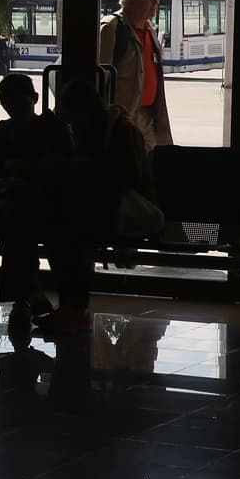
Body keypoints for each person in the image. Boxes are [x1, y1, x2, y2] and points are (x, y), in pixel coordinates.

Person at [40, 79, 155, 334]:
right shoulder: (100, 131)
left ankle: (73, 306)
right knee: (61, 230)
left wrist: (78, 167)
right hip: (102, 211)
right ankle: (72, 307)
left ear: (85, 110)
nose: (72, 124)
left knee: (64, 235)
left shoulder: (121, 132)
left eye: (73, 117)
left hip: (121, 214)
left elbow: (128, 178)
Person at [0, 73, 74, 331]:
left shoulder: (2, 133)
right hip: (43, 209)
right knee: (18, 222)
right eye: (10, 105)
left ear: (33, 99)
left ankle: (26, 296)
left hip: (27, 208)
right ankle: (29, 296)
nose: (14, 110)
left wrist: (13, 181)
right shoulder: (54, 130)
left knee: (15, 226)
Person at [98, 0, 173, 151]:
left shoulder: (150, 32)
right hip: (121, 121)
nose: (156, 3)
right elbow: (99, 79)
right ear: (131, 1)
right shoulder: (112, 28)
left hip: (147, 117)